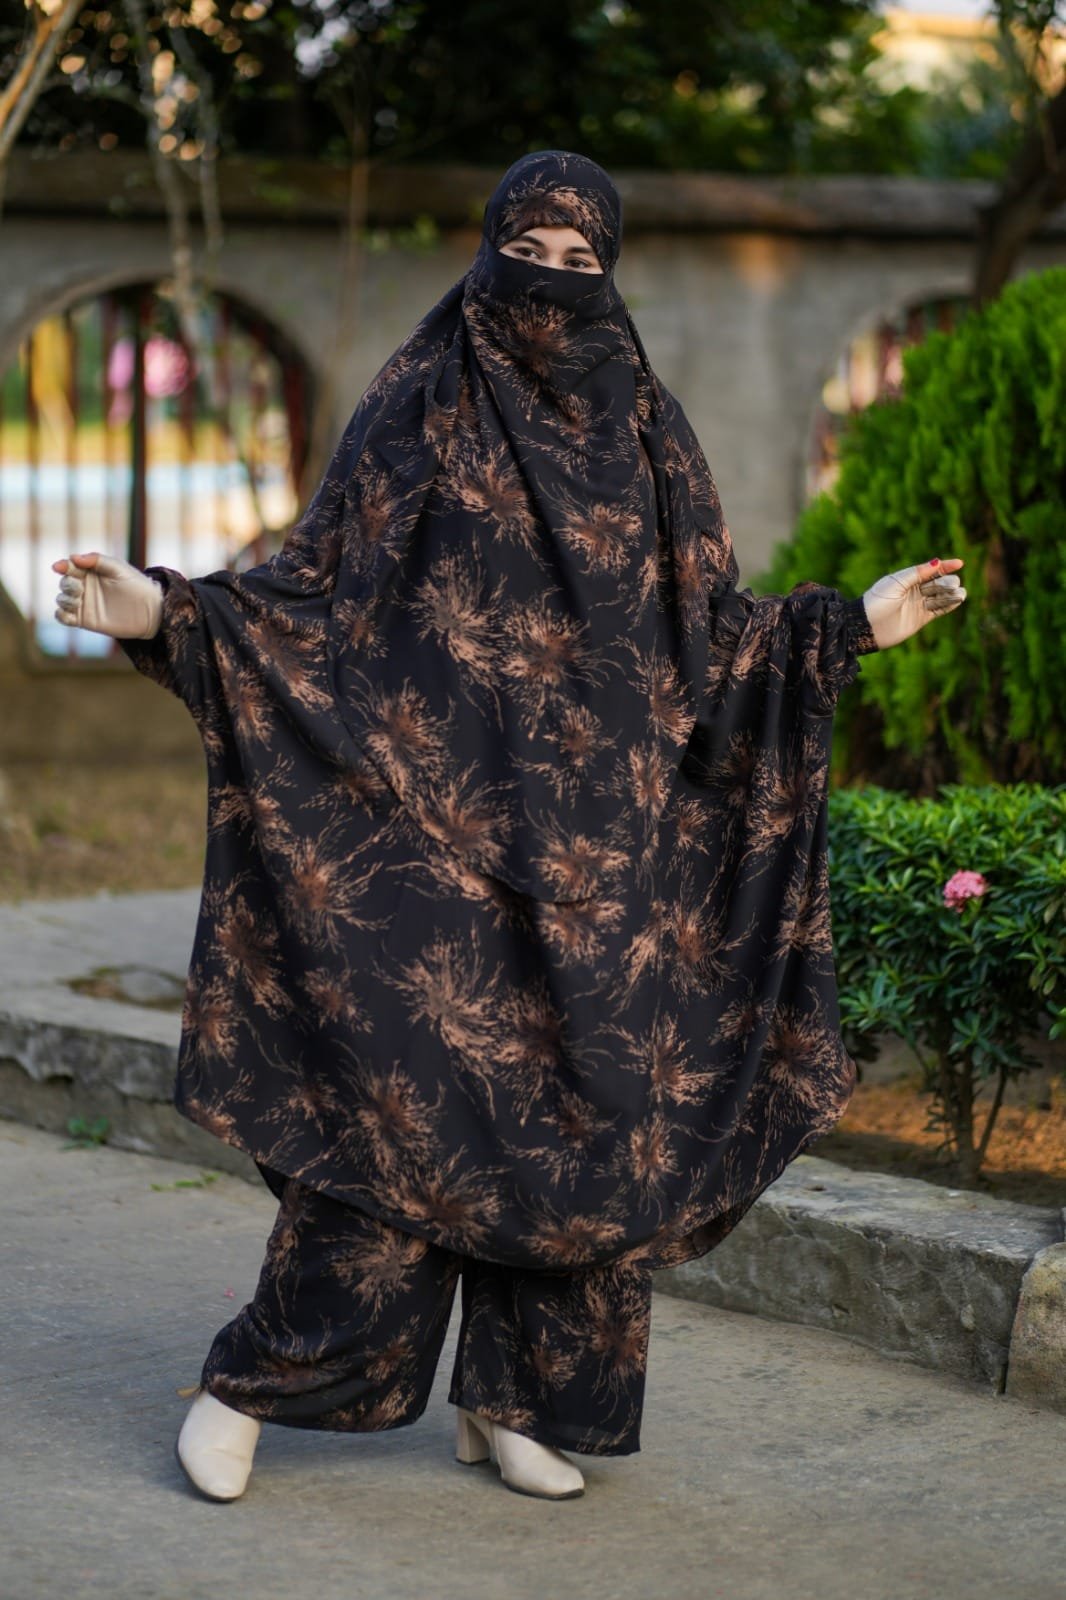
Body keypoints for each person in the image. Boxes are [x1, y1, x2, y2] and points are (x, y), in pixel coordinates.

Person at [52, 149, 966, 1505]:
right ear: (486, 258)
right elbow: (307, 602)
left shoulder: (646, 434)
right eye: (525, 252)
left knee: (589, 1130)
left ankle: (521, 1404)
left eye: (579, 261)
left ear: (610, 276)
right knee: (398, 1120)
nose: (550, 282)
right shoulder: (417, 403)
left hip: (603, 859)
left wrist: (855, 624)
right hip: (419, 842)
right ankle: (253, 1386)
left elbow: (714, 636)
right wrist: (161, 610)